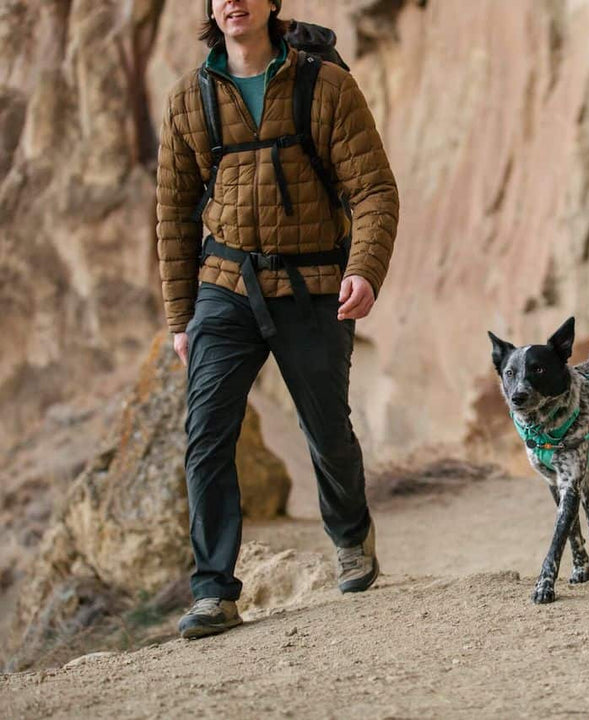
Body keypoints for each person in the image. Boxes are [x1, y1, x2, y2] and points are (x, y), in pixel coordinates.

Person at [156, 0, 399, 637]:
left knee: (326, 428)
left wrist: (364, 269)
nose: (232, 1)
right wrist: (182, 315)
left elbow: (373, 188)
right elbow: (174, 215)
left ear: (272, 3)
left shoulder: (325, 85)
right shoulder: (190, 98)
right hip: (224, 283)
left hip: (313, 280)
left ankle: (351, 536)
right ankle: (213, 590)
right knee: (207, 434)